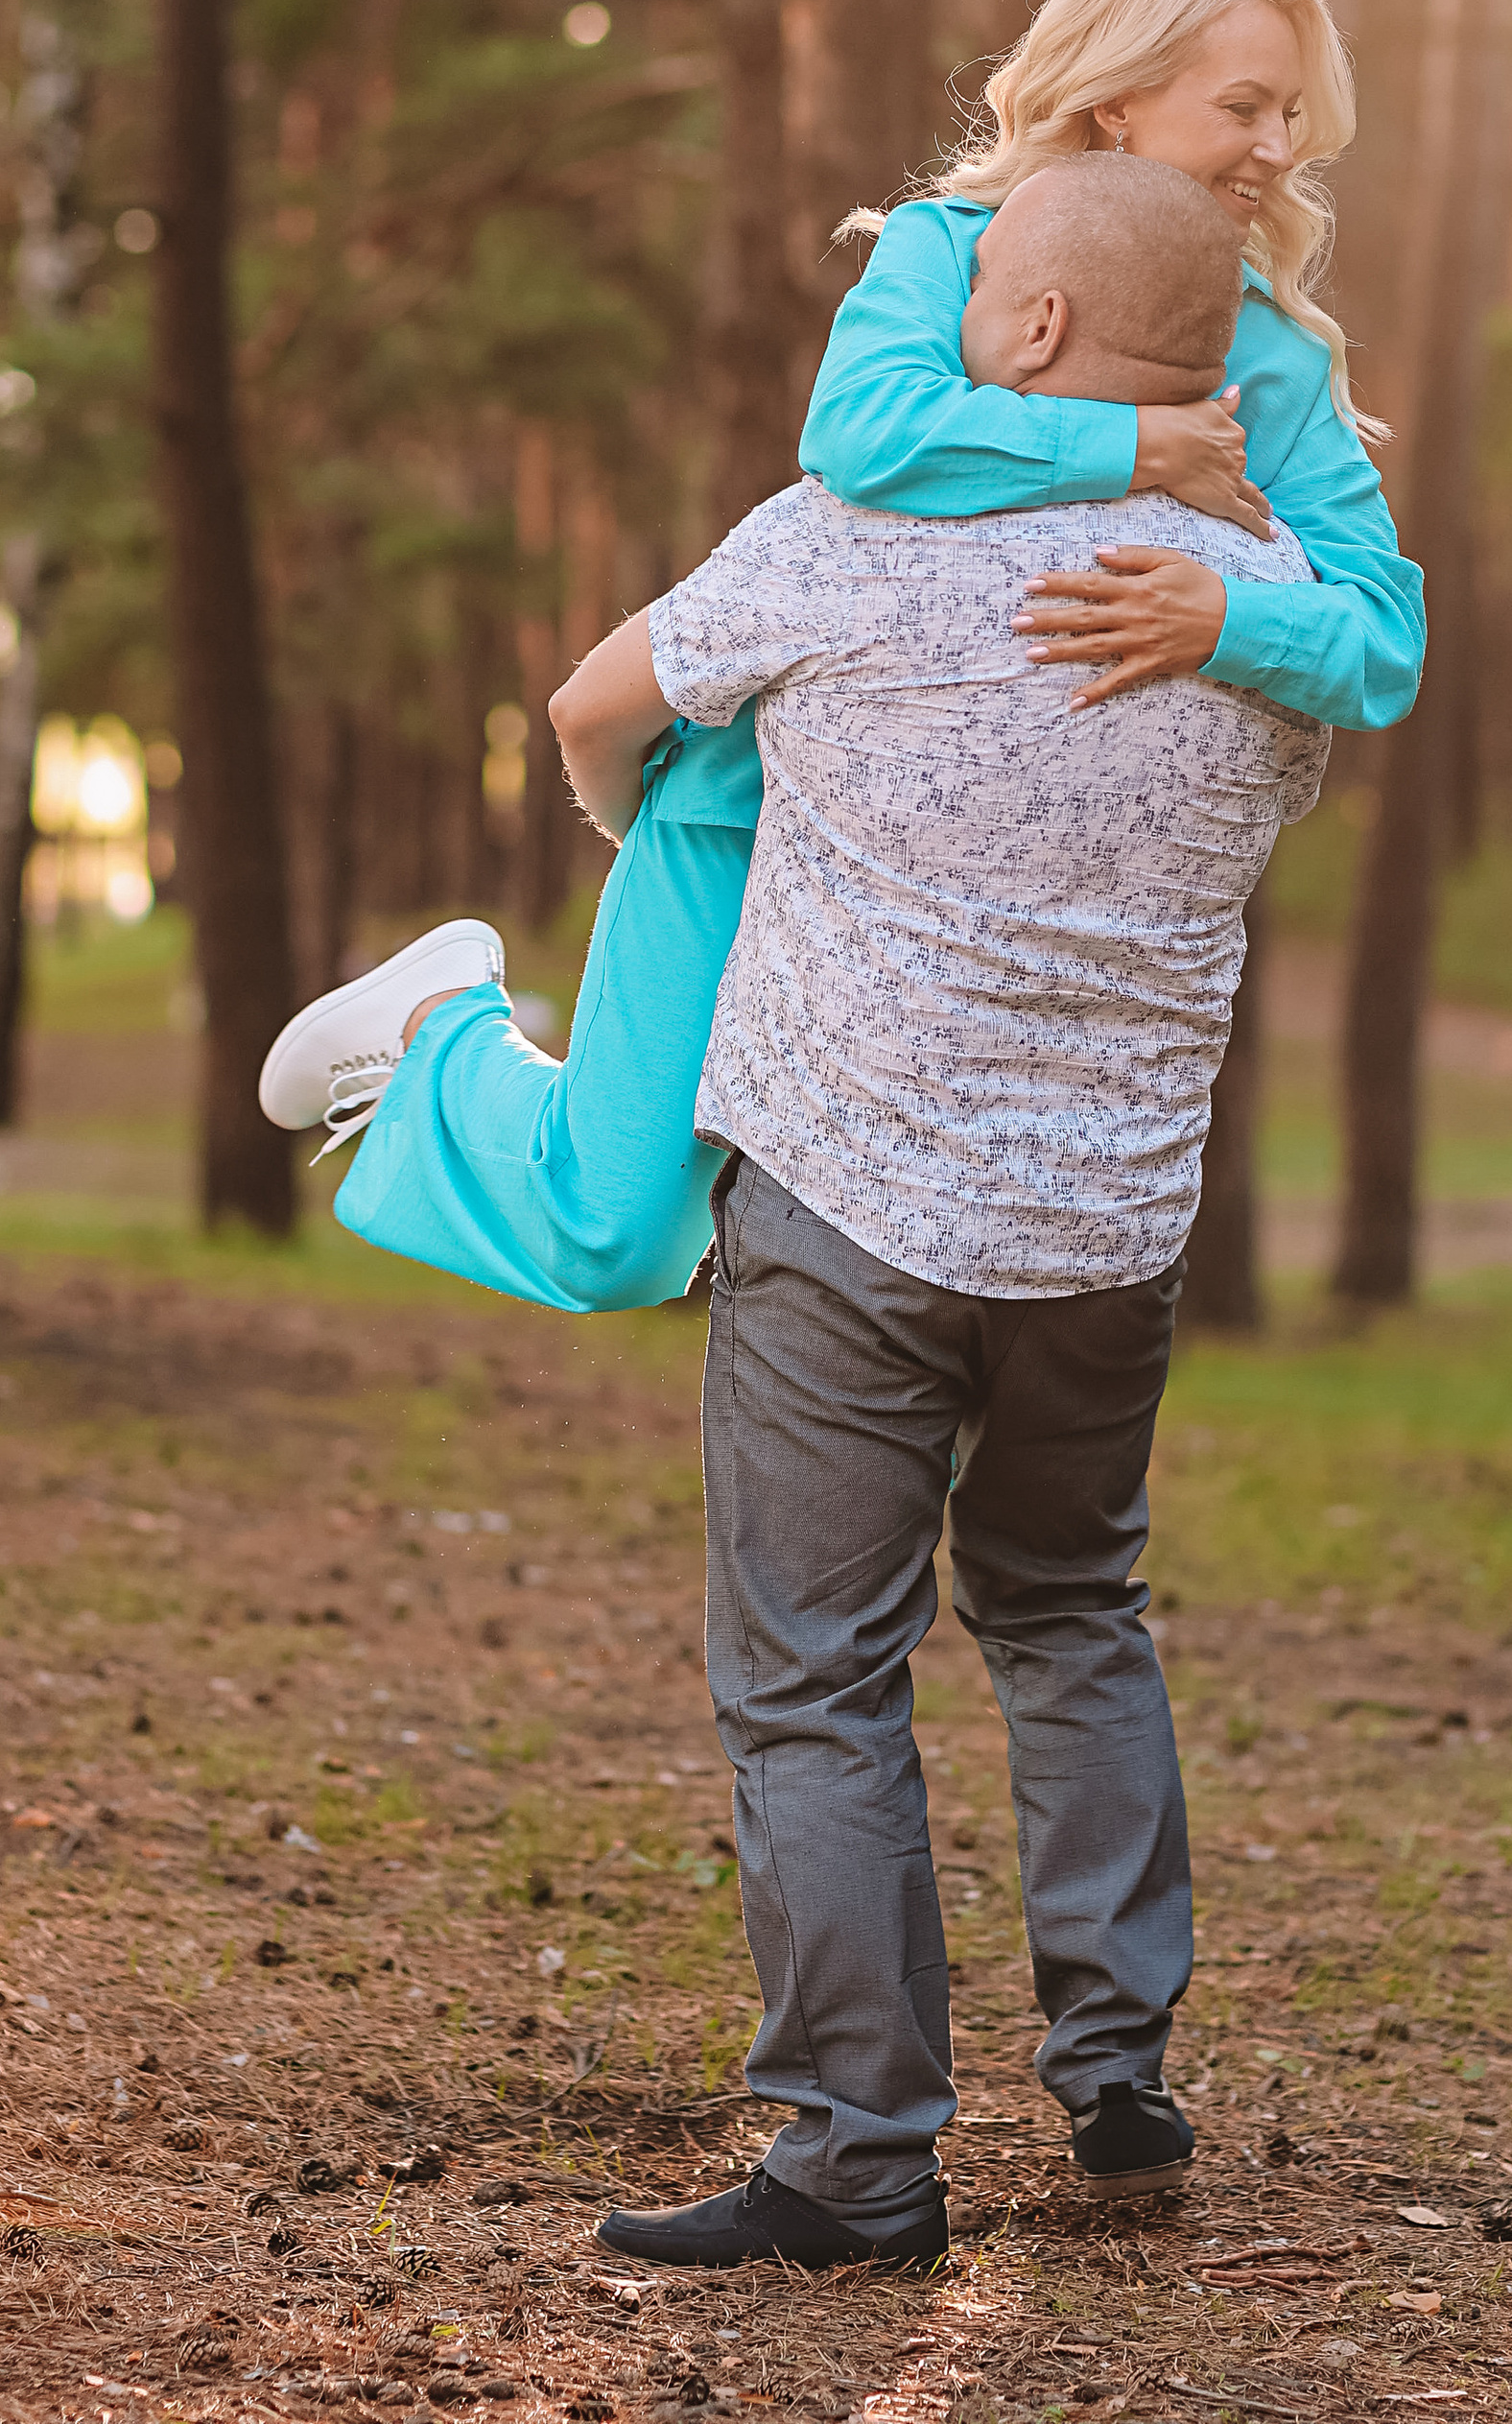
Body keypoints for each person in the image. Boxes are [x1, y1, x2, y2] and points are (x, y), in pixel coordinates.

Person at [547, 155, 1329, 2271]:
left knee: (814, 1673)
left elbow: (594, 707)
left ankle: (855, 2157)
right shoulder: (1261, 613)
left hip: (849, 1214)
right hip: (1106, 1235)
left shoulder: (853, 537)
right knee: (1069, 1608)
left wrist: (673, 845)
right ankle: (1113, 2064)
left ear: (1040, 330)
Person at [257, 0, 1422, 1307]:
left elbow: (1382, 642)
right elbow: (863, 433)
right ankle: (443, 1025)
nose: (1280, 149)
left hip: (1005, 902)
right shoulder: (948, 250)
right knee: (617, 1232)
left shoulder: (1273, 354)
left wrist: (1225, 616)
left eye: (1293, 115)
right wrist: (1135, 452)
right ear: (1120, 95)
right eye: (1245, 107)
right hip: (755, 808)